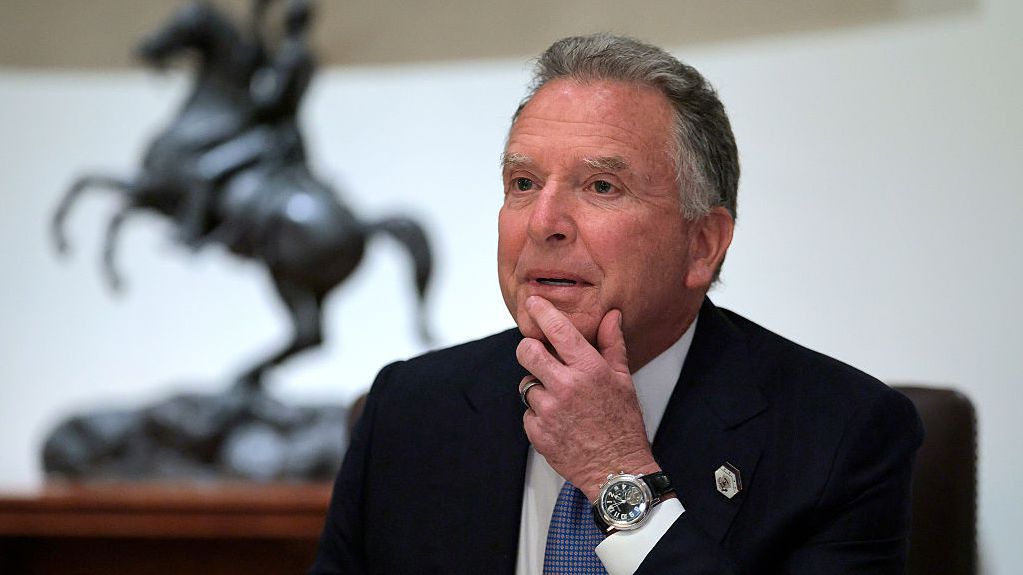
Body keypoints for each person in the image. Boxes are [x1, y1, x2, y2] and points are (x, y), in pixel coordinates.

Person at [309, 34, 923, 575]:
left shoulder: (841, 435)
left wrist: (617, 475)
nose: (543, 222)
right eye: (523, 183)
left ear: (702, 245)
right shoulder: (409, 411)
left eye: (601, 186)